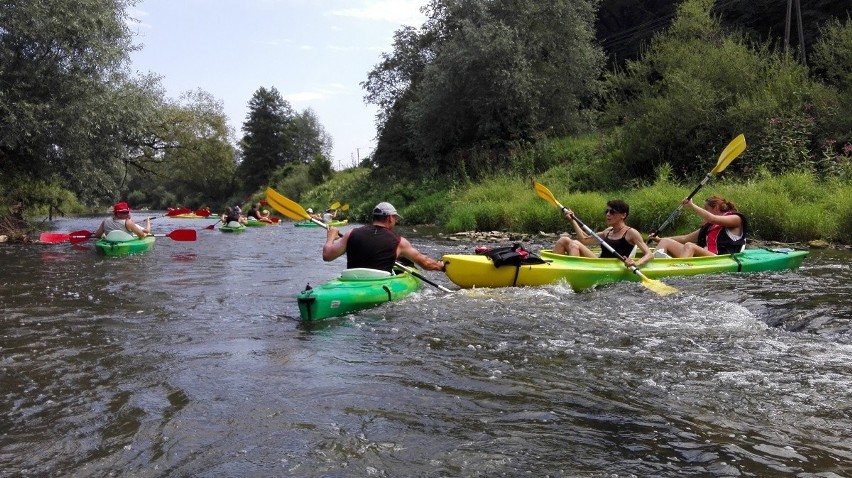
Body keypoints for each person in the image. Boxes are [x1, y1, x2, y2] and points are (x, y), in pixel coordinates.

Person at [323, 202, 445, 273]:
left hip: (352, 281)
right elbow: (425, 263)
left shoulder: (351, 234)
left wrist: (330, 237)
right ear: (390, 218)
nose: (395, 221)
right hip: (379, 284)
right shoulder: (399, 242)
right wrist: (440, 266)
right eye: (395, 218)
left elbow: (327, 256)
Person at [552, 199, 653, 268]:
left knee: (574, 243)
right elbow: (584, 240)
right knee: (563, 240)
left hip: (611, 266)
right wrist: (572, 220)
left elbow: (649, 254)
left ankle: (571, 272)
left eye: (612, 212)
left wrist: (635, 263)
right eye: (607, 211)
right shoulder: (608, 231)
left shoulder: (631, 233)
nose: (608, 214)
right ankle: (554, 268)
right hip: (600, 262)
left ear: (623, 215)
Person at [648, 195, 747, 257]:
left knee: (690, 246)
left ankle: (678, 268)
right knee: (665, 241)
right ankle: (656, 263)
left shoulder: (735, 218)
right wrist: (659, 239)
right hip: (705, 255)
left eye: (706, 209)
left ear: (716, 208)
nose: (704, 211)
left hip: (721, 258)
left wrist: (692, 205)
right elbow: (685, 238)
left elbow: (711, 218)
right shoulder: (710, 226)